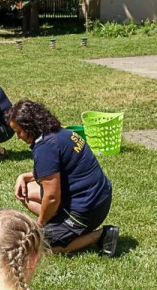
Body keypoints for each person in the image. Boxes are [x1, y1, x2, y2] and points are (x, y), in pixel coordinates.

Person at [7, 99, 118, 257]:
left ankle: (102, 234)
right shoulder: (58, 132)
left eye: (19, 132)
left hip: (88, 209)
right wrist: (24, 176)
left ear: (29, 127)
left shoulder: (46, 147)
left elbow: (52, 197)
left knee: (43, 246)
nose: (18, 137)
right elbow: (58, 170)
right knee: (26, 192)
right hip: (99, 197)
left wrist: (40, 225)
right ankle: (59, 225)